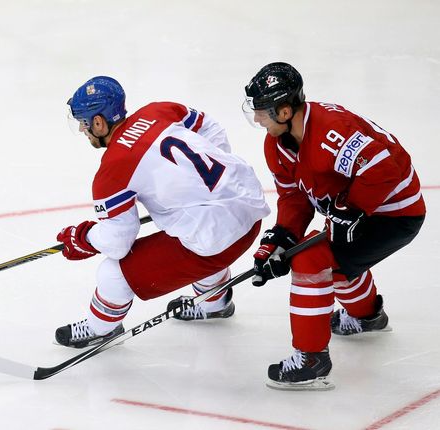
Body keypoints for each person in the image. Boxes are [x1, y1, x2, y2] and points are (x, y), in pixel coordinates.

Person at [243, 62, 426, 390]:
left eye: (263, 112)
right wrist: (279, 240)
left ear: (285, 112)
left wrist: (352, 208)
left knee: (313, 258)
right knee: (330, 259)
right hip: (363, 211)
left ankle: (311, 360)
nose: (257, 119)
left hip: (393, 213)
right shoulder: (277, 146)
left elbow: (388, 165)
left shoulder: (331, 131)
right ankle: (367, 316)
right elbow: (294, 199)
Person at [54, 76, 270, 348]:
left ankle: (102, 328)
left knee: (113, 273)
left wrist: (83, 237)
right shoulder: (159, 110)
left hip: (218, 243)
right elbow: (210, 127)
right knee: (196, 230)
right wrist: (203, 187)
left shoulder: (113, 169)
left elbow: (118, 242)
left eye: (84, 123)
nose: (84, 130)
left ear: (99, 122)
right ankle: (214, 302)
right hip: (249, 211)